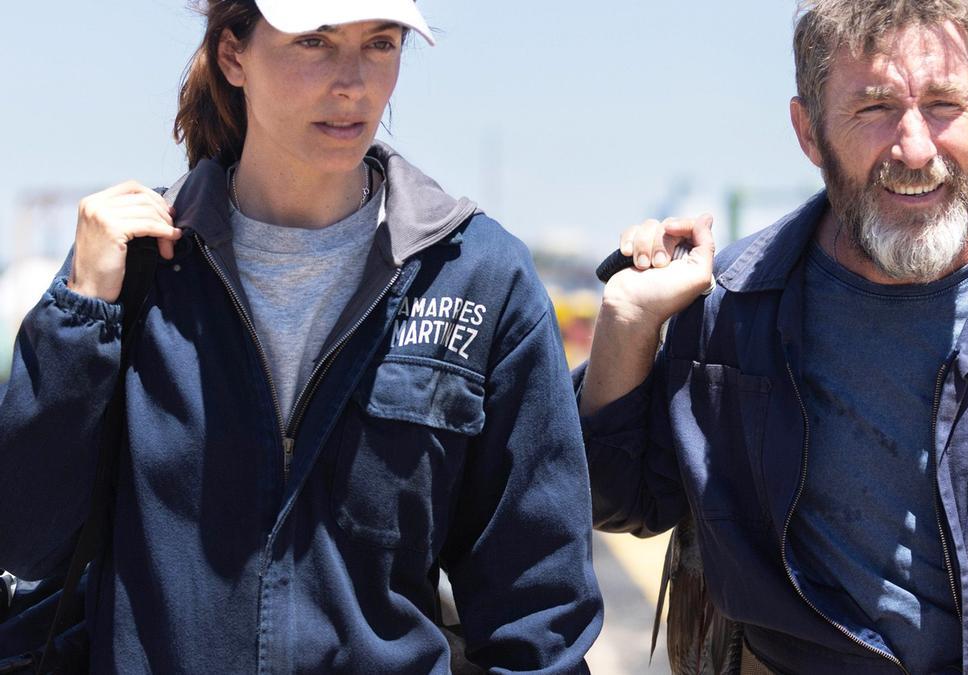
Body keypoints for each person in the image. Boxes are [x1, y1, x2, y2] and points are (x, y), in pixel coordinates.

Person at [578, 0, 968, 672]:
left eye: (943, 104)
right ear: (808, 131)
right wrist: (628, 324)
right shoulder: (731, 307)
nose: (914, 148)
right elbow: (619, 500)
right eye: (874, 108)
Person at [0, 0, 602, 671]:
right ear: (233, 56)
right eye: (314, 41)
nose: (354, 82)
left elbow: (538, 608)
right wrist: (80, 311)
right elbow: (25, 539)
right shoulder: (136, 266)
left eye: (380, 43)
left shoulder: (478, 277)